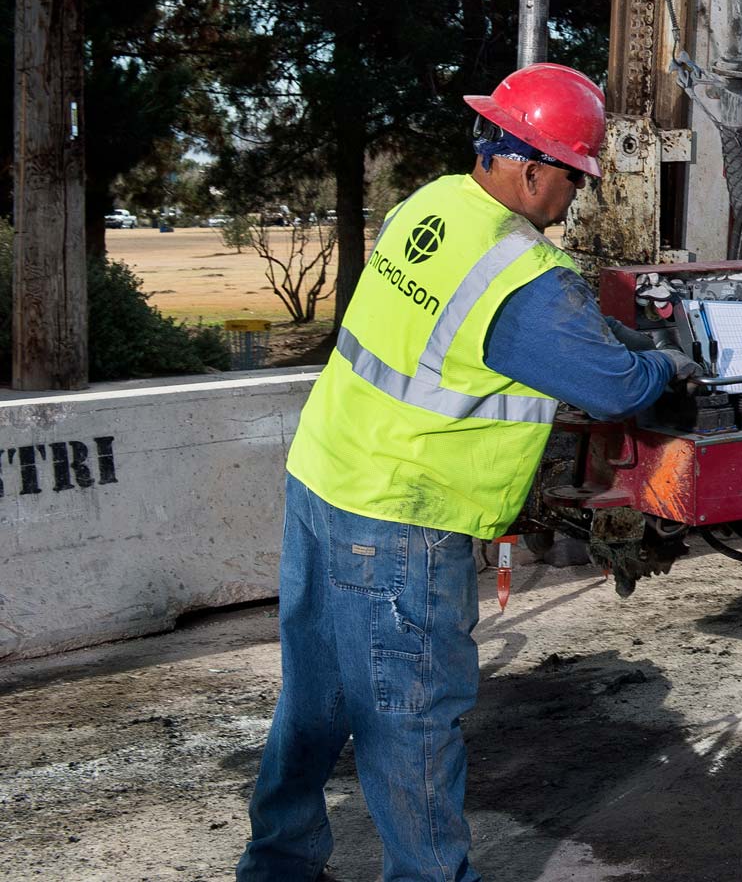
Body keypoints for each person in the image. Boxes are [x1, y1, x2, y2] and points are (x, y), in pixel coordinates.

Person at [237, 63, 698, 882]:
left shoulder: (436, 204)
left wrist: (616, 339)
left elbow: (539, 336)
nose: (577, 200)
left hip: (325, 479)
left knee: (314, 702)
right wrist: (668, 364)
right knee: (411, 723)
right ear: (531, 170)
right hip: (401, 519)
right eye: (576, 179)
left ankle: (278, 866)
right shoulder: (521, 276)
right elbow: (613, 386)